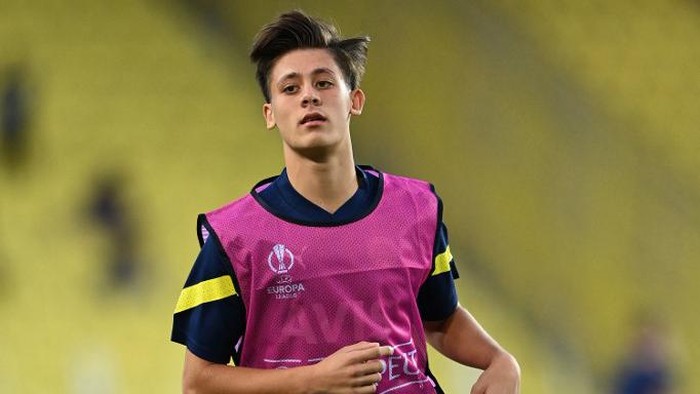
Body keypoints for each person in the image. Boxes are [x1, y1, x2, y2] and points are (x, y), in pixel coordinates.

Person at [171, 10, 520, 393]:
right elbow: (198, 382)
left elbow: (440, 319)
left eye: (323, 83)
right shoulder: (234, 238)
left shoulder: (416, 209)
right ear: (270, 114)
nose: (308, 96)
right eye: (290, 88)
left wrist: (500, 360)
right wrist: (313, 380)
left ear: (354, 100)